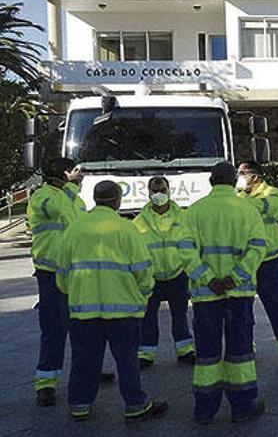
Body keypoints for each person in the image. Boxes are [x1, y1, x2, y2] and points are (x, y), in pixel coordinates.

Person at [55, 181, 168, 421]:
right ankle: (135, 404)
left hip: (84, 311)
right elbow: (143, 272)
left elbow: (62, 275)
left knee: (84, 359)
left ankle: (79, 404)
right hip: (123, 310)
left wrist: (73, 294)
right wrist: (144, 294)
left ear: (95, 199)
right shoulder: (127, 230)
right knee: (127, 360)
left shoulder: (74, 230)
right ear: (118, 201)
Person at [185, 162, 268, 424]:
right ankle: (243, 407)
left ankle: (204, 411)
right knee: (240, 351)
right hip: (238, 294)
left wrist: (208, 279)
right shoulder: (247, 210)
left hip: (205, 296)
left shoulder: (195, 211)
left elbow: (185, 252)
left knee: (207, 354)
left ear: (211, 181)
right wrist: (235, 277)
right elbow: (257, 249)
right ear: (234, 182)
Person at [26, 157, 86, 406]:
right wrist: (71, 186)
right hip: (51, 273)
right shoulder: (42, 196)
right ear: (64, 173)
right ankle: (46, 383)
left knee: (83, 327)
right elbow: (58, 210)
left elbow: (80, 225)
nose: (80, 175)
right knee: (54, 328)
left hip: (76, 272)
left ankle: (86, 372)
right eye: (74, 171)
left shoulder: (74, 198)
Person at [236, 161, 278, 366]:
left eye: (242, 173)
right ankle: (246, 345)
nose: (239, 176)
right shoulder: (238, 197)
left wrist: (230, 201)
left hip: (268, 260)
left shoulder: (273, 194)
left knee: (277, 304)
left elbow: (263, 208)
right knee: (243, 306)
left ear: (255, 175)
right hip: (245, 260)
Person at [133, 176, 201, 368]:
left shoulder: (184, 217)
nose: (159, 194)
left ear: (170, 190)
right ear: (148, 193)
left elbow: (193, 245)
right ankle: (146, 353)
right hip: (151, 278)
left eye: (162, 190)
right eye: (155, 191)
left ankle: (185, 350)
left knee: (180, 315)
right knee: (148, 318)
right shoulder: (139, 222)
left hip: (177, 274)